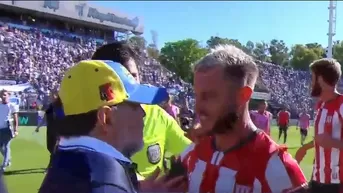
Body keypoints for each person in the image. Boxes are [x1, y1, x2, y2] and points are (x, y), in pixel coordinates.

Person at [39, 60, 184, 193]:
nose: (143, 113)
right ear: (106, 118)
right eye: (135, 105)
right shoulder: (103, 184)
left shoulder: (66, 162)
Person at [180, 45, 307, 192]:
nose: (197, 108)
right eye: (197, 95)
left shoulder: (277, 168)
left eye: (209, 97)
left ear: (243, 95)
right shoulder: (193, 151)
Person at [91, 42, 191, 179]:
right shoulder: (86, 123)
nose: (131, 85)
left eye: (133, 76)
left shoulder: (157, 115)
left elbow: (190, 152)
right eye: (120, 79)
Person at [295, 58, 343, 193]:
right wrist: (307, 147)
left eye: (313, 78)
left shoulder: (341, 105)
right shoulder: (321, 105)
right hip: (317, 180)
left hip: (336, 184)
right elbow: (323, 138)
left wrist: (334, 143)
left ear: (320, 80)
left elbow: (329, 140)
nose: (311, 83)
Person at [35, 92, 59, 171]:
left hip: (57, 130)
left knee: (54, 148)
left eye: (53, 96)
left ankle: (50, 166)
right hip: (49, 129)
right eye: (51, 96)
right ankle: (55, 163)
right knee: (49, 147)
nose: (52, 97)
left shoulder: (61, 107)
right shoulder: (50, 107)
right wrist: (38, 127)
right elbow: (45, 118)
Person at [0, 90, 18, 171]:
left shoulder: (12, 106)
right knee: (1, 148)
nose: (3, 96)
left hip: (7, 129)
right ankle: (8, 159)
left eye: (5, 95)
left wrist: (16, 130)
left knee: (7, 146)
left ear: (8, 96)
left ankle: (4, 165)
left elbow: (15, 119)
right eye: (2, 95)